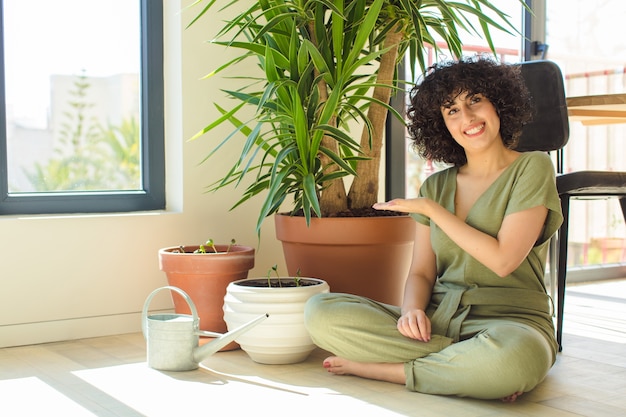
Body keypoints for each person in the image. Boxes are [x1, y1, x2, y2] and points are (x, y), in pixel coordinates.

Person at [304, 56, 563, 402]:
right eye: (451, 110)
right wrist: (411, 311)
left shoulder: (533, 166)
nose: (467, 117)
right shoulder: (436, 185)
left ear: (498, 103)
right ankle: (469, 368)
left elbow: (504, 260)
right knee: (319, 312)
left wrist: (432, 211)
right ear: (441, 124)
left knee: (513, 357)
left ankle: (392, 370)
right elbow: (422, 274)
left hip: (512, 323)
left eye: (475, 100)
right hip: (439, 319)